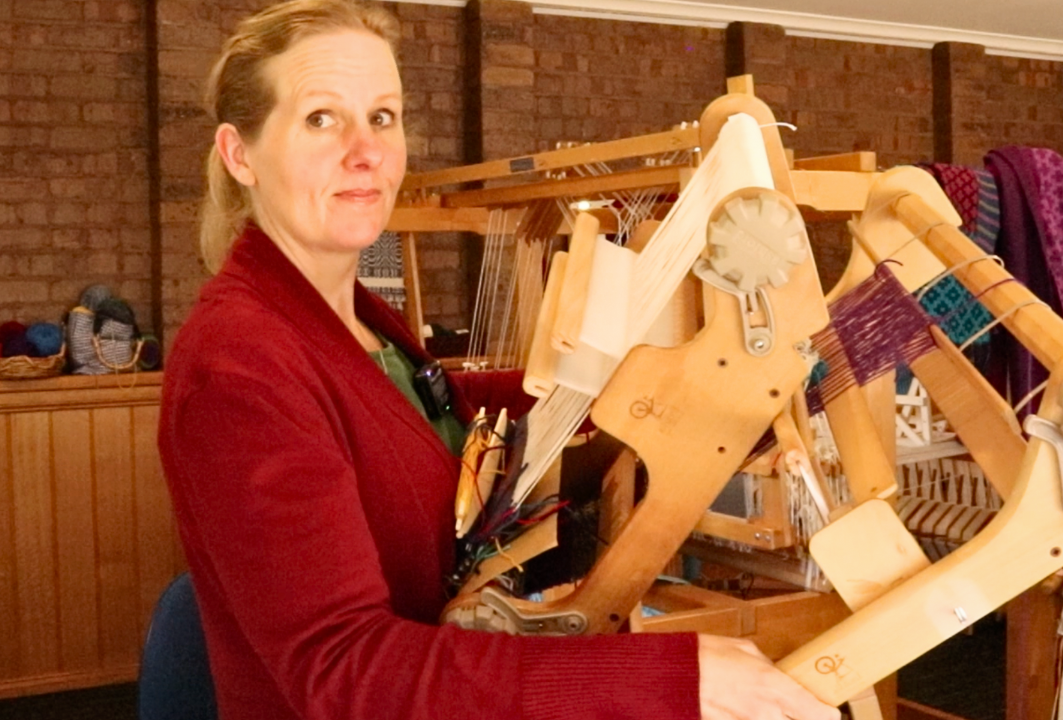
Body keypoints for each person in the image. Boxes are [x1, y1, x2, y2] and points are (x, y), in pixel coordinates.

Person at [159, 2, 840, 719]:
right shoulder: (238, 367)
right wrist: (668, 678)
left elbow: (430, 413)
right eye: (321, 119)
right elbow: (344, 670)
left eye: (383, 117)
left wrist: (657, 391)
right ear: (240, 155)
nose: (366, 152)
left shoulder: (347, 319)